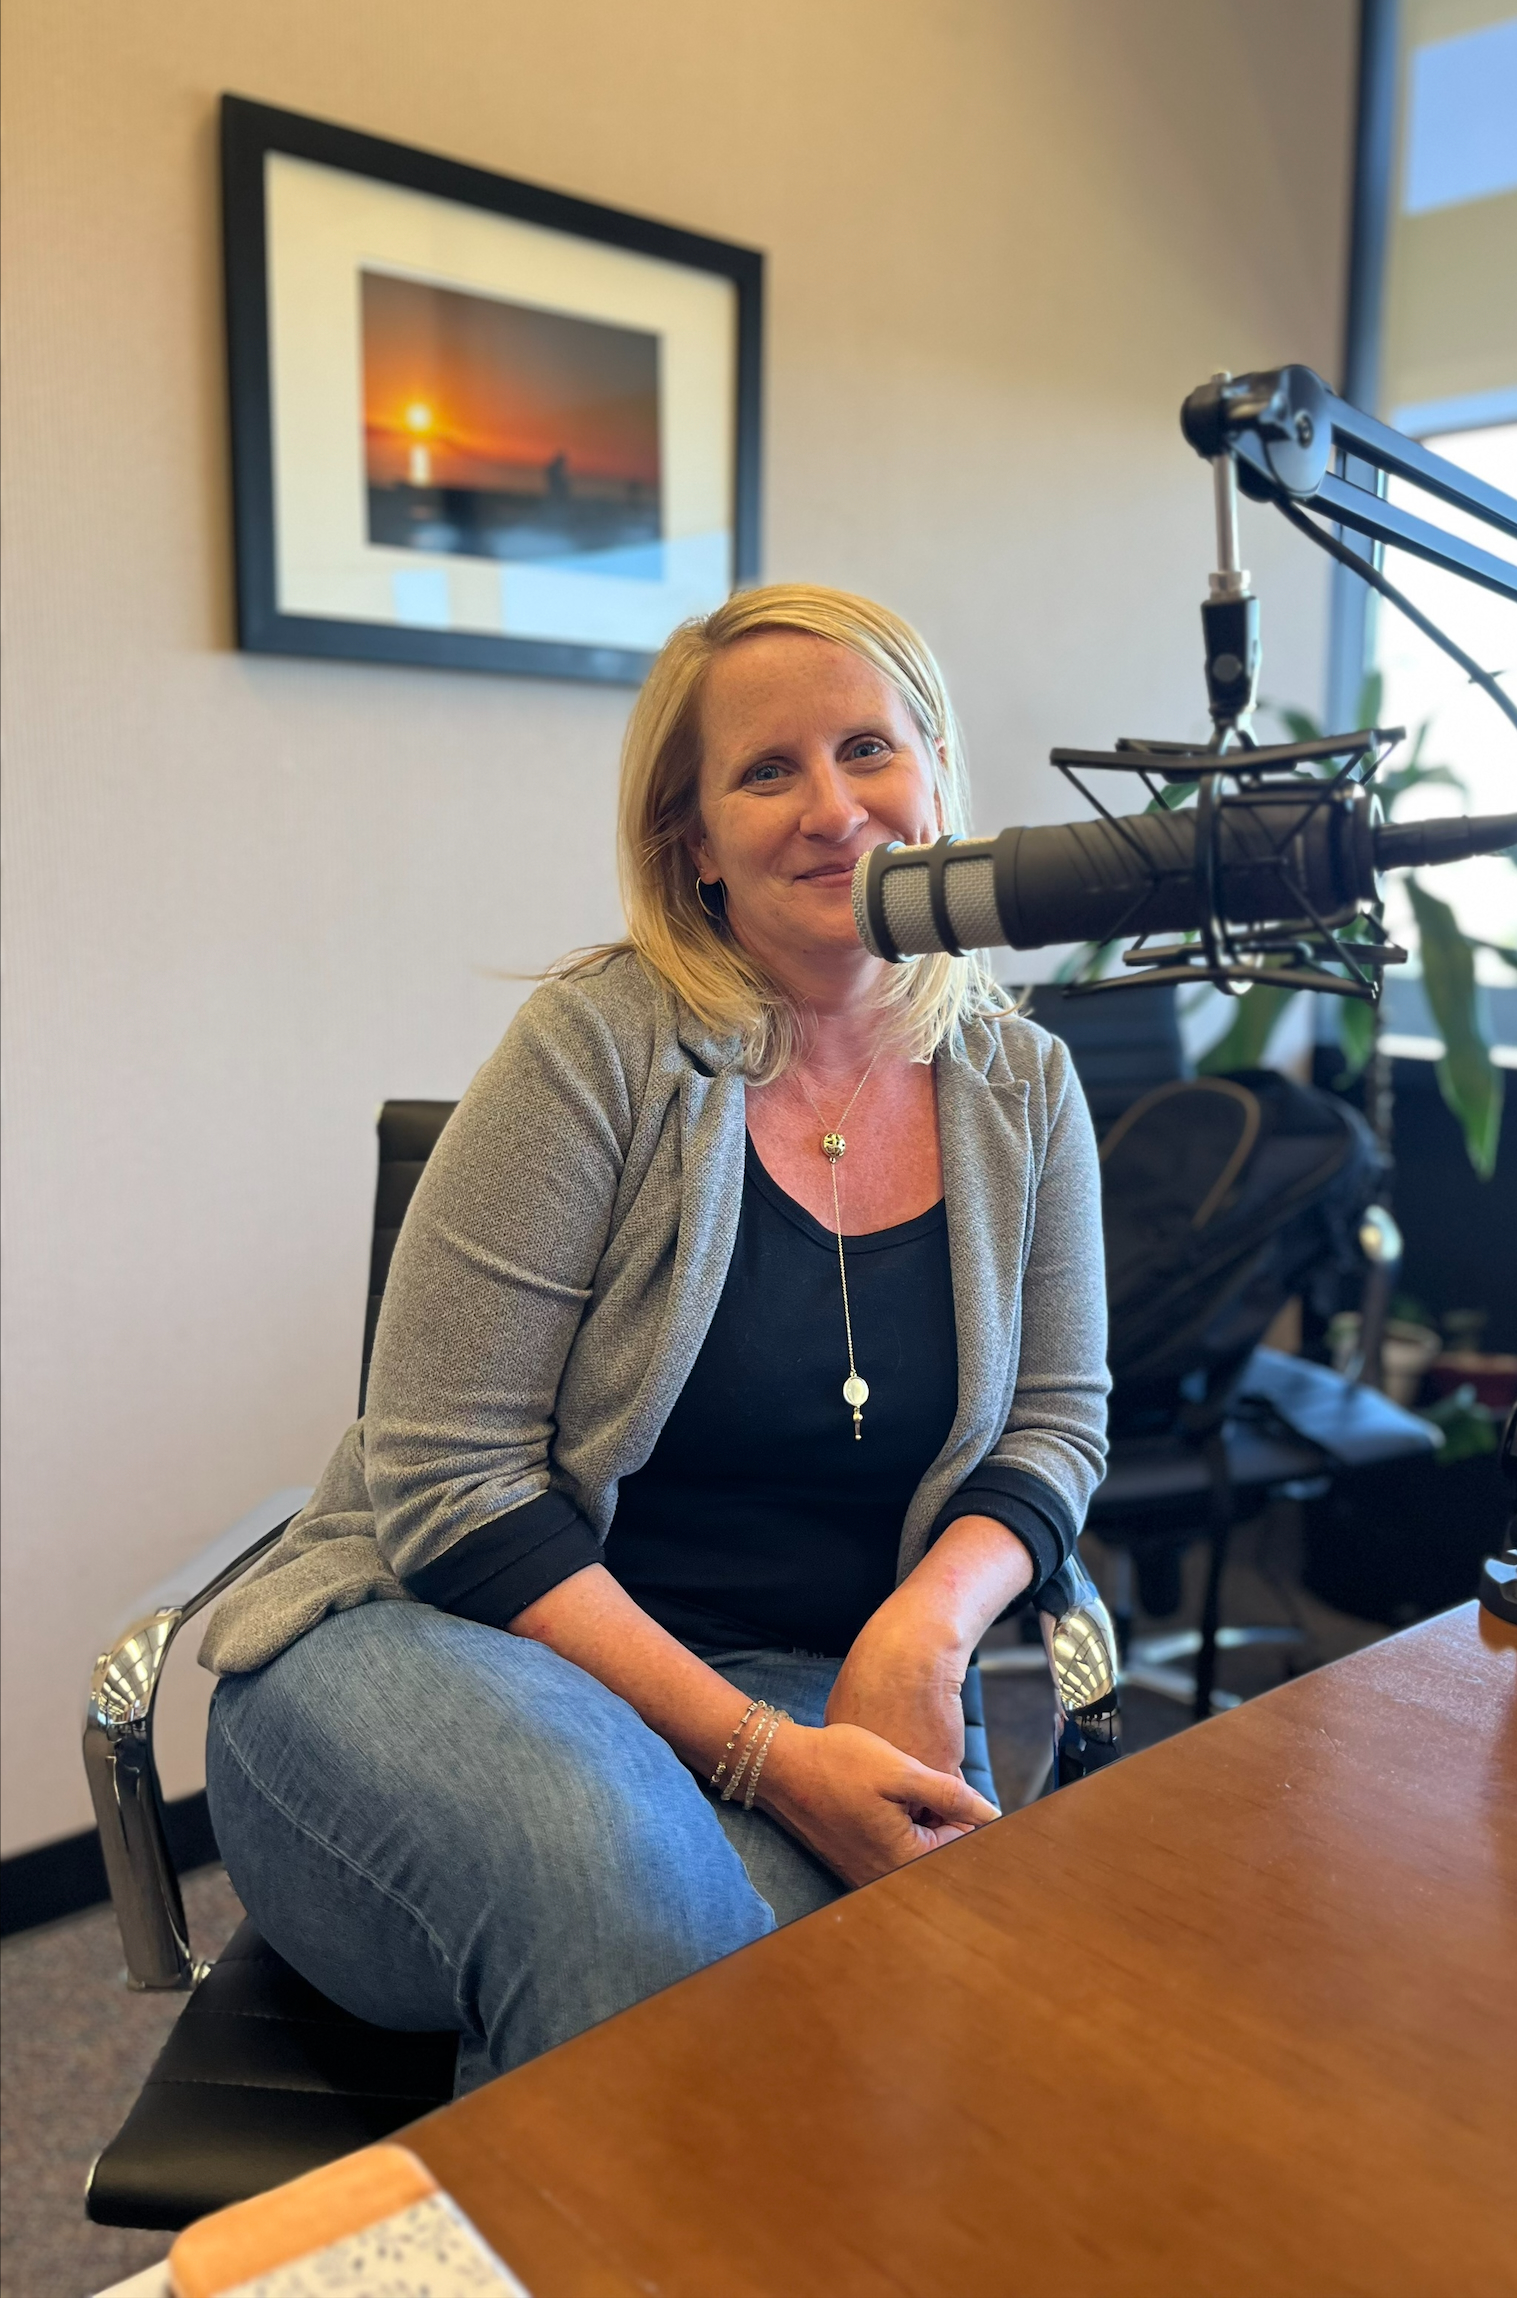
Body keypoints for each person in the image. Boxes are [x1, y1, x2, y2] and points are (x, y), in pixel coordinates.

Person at [200, 583, 1110, 2088]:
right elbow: (447, 1485)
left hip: (819, 1663)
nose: (835, 810)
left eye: (870, 750)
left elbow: (1055, 1426)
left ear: (937, 774)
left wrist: (924, 1626)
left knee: (870, 2039)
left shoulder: (1023, 1084)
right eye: (767, 772)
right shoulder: (597, 1051)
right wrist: (755, 1757)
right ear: (691, 839)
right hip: (437, 1646)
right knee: (627, 1908)